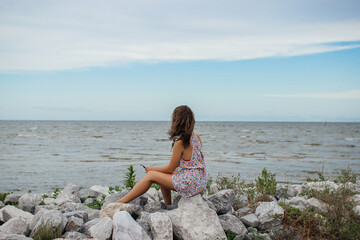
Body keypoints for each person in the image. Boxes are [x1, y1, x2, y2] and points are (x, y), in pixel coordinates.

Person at [117, 105, 207, 205]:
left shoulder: (180, 142)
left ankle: (120, 202)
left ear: (176, 121)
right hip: (200, 181)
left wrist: (151, 169)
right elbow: (187, 163)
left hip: (191, 183)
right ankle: (168, 205)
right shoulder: (195, 136)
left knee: (151, 175)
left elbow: (170, 169)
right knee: (163, 176)